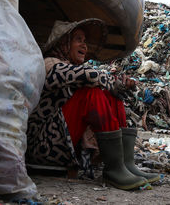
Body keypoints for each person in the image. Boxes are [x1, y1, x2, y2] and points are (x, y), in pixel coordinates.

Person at [26, 19, 161, 190]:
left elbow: (87, 76)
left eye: (85, 41)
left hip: (66, 144)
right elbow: (81, 75)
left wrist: (116, 87)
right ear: (64, 43)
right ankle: (114, 169)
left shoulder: (75, 68)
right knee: (92, 93)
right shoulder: (48, 62)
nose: (84, 45)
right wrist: (109, 80)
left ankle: (125, 164)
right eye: (78, 39)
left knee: (113, 96)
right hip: (44, 146)